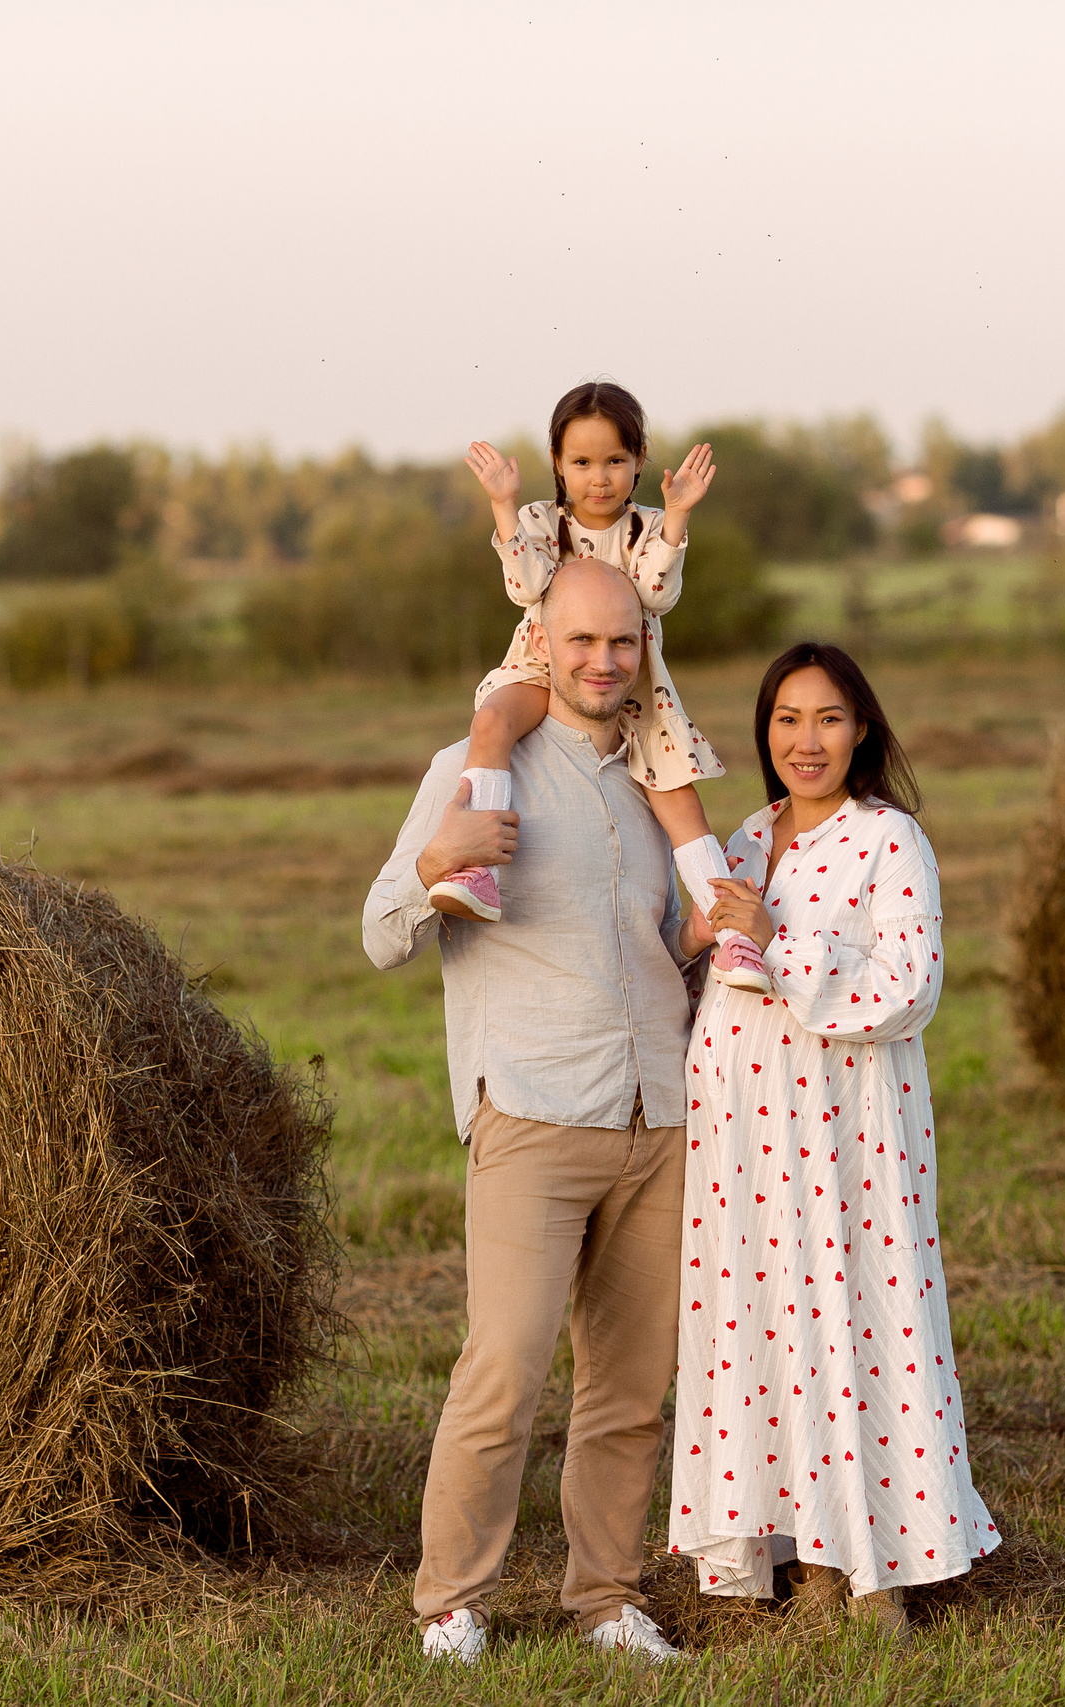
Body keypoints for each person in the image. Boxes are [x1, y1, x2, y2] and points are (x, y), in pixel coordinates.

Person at [364, 557, 719, 1667]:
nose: (605, 661)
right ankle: (453, 1603)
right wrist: (438, 860)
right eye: (581, 643)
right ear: (541, 644)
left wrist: (705, 944)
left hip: (658, 1117)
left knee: (628, 1388)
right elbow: (379, 932)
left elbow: (666, 952)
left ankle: (607, 1597)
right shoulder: (471, 770)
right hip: (530, 1108)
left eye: (625, 643)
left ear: (644, 651)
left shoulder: (661, 788)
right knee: (505, 1367)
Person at [665, 641, 1001, 1636]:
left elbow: (910, 987)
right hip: (741, 1140)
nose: (805, 741)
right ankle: (799, 1563)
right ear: (763, 734)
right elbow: (713, 965)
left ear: (862, 731)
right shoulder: (746, 832)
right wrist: (698, 940)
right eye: (785, 720)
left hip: (841, 1132)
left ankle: (875, 1570)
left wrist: (778, 940)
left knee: (855, 1327)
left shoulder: (889, 841)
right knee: (762, 1330)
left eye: (827, 719)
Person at [429, 379, 772, 996]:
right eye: (581, 462)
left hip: (631, 685)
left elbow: (656, 595)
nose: (599, 478)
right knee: (490, 724)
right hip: (541, 669)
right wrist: (503, 504)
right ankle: (478, 866)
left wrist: (679, 516)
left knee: (679, 802)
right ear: (557, 464)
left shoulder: (647, 528)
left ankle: (732, 935)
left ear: (639, 462)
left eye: (615, 460)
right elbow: (525, 586)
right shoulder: (539, 520)